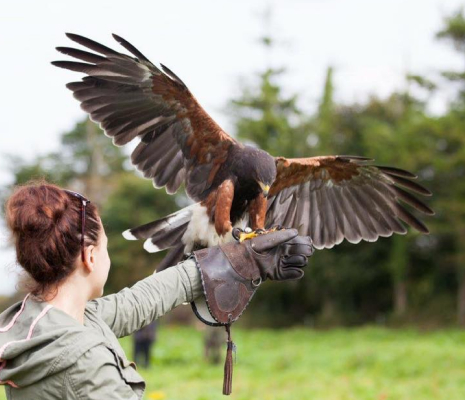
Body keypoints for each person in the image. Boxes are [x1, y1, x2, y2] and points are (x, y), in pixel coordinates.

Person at [0, 181, 313, 399]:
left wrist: (240, 259)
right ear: (90, 256)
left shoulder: (38, 322)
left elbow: (140, 301)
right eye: (106, 247)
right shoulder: (86, 364)